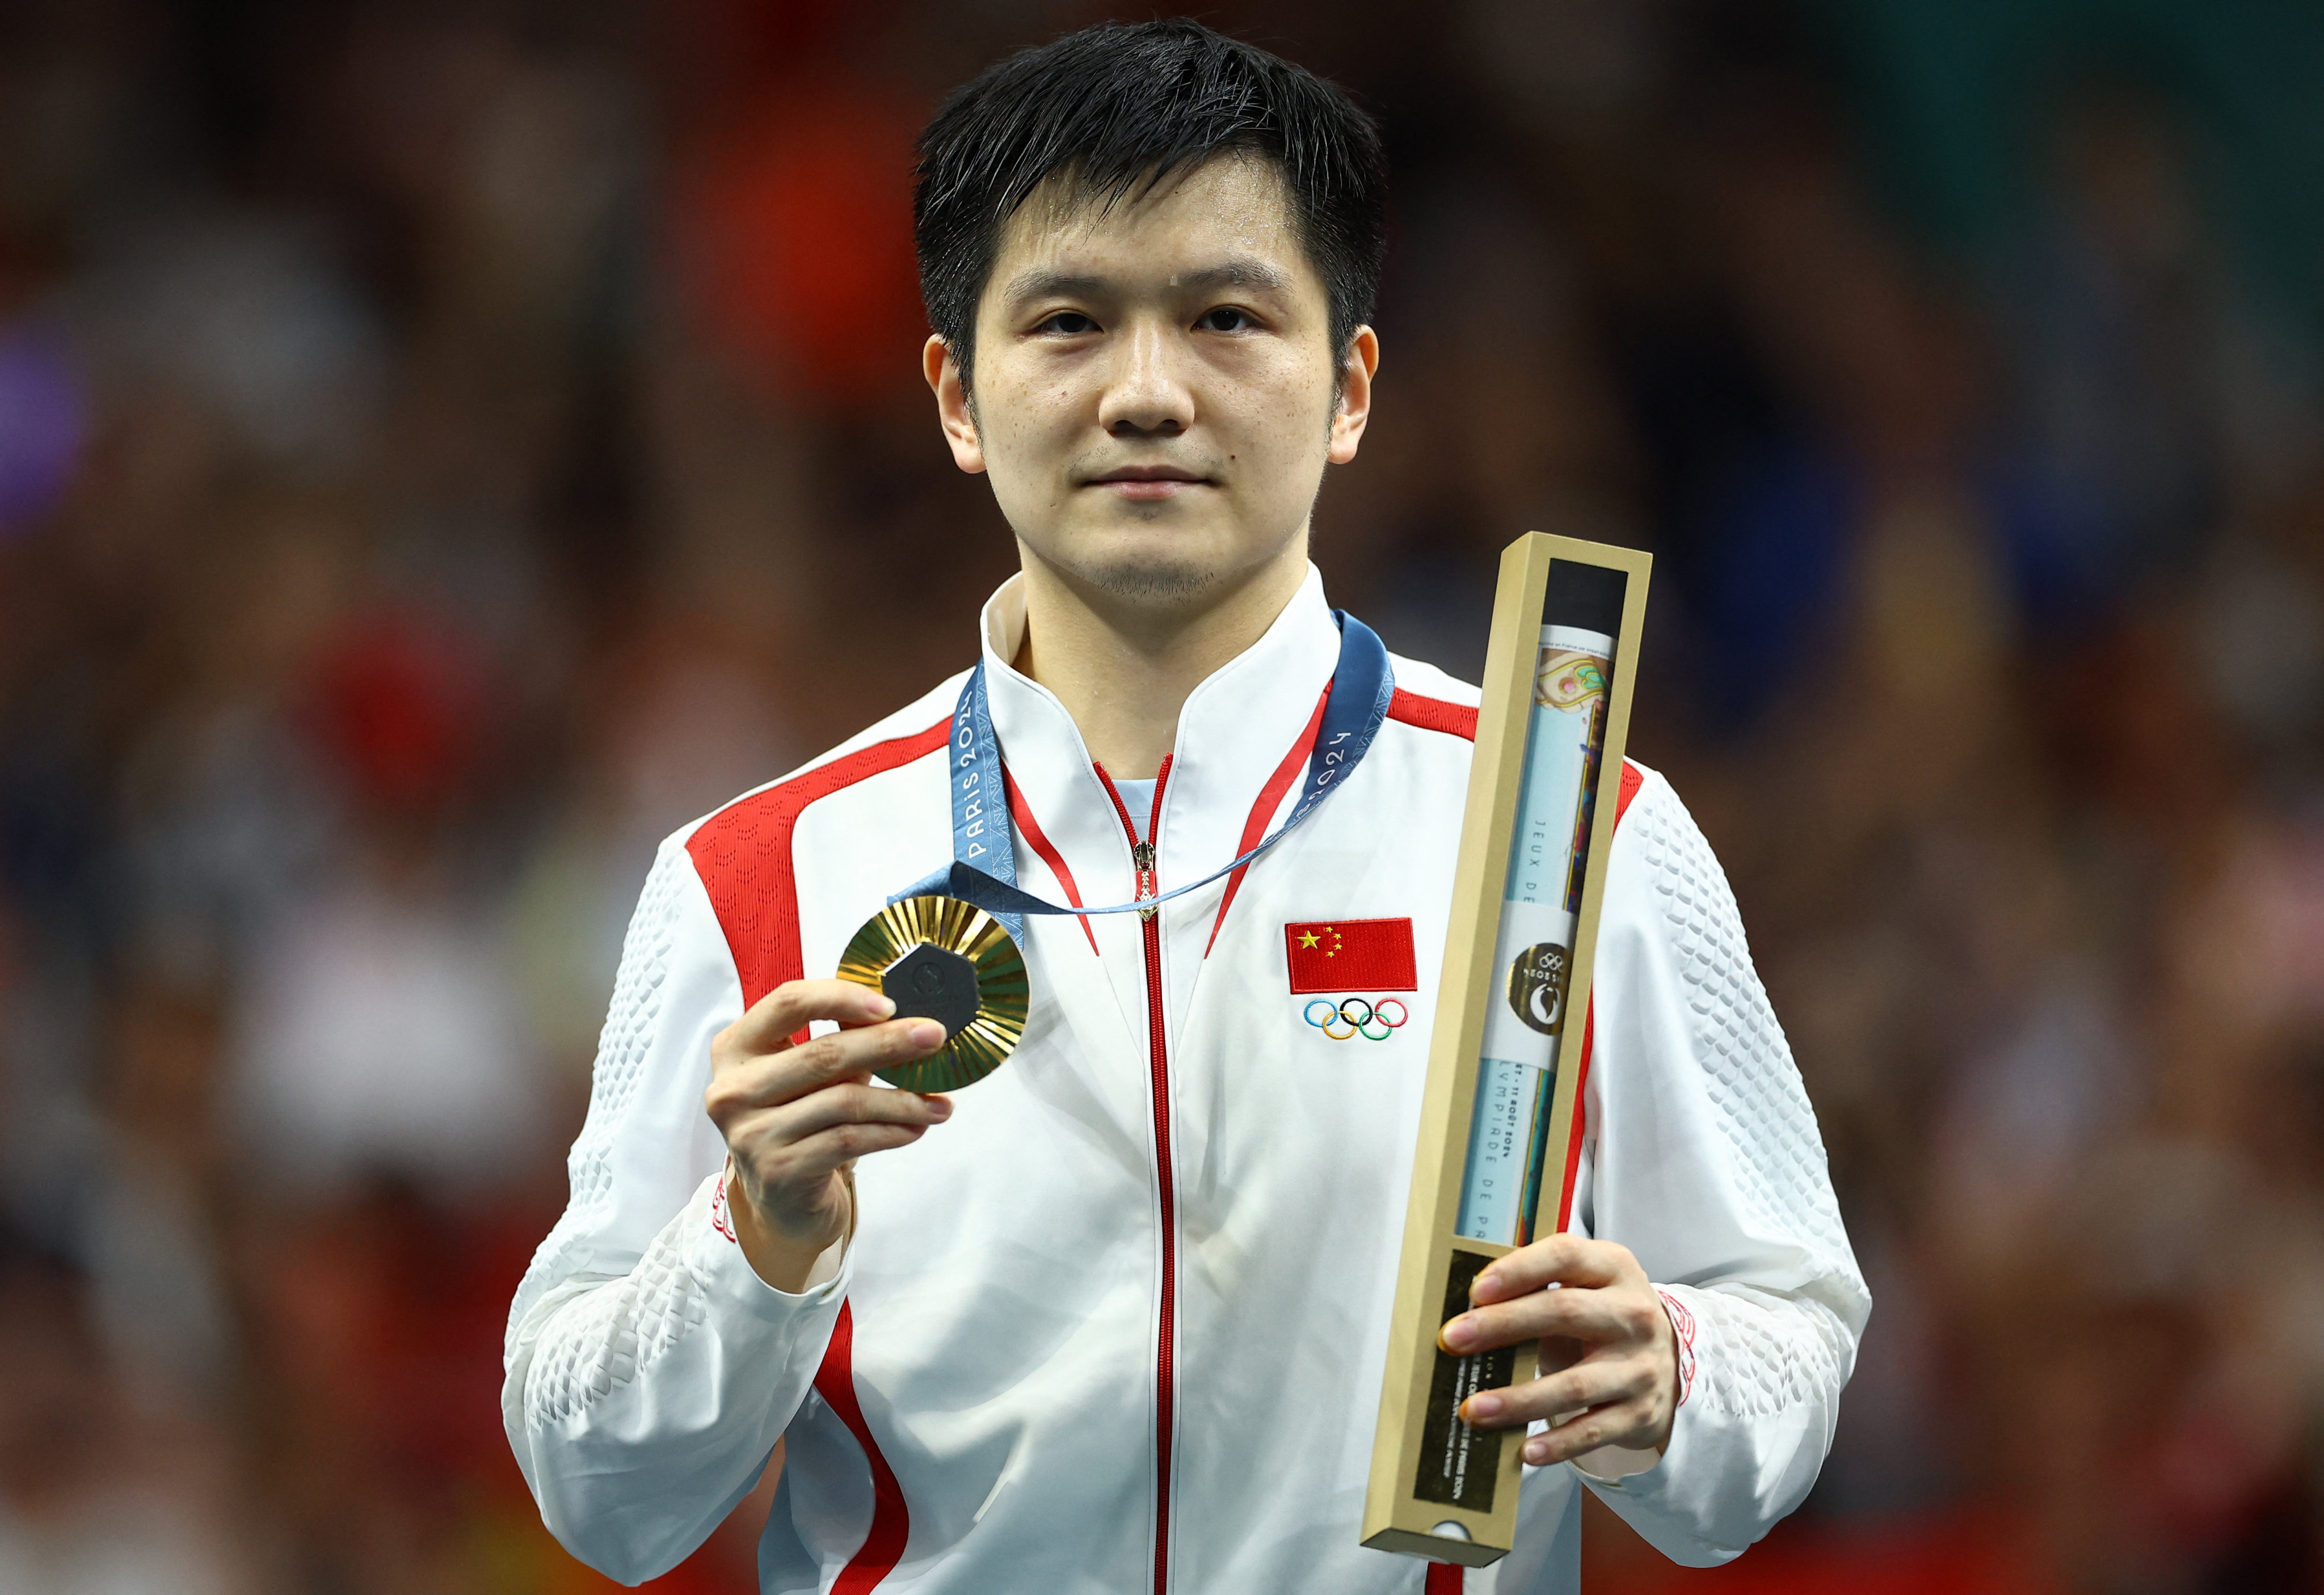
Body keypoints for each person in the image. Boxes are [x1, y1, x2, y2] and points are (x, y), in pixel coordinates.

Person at [502, 20, 1868, 1593]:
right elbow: (595, 1490)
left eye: (1226, 318)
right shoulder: (755, 880)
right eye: (1070, 322)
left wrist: (1675, 1371)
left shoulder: (1573, 827)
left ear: (1351, 387)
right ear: (956, 395)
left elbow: (1791, 1334)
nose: (1146, 393)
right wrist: (753, 1234)